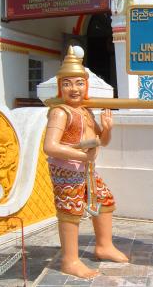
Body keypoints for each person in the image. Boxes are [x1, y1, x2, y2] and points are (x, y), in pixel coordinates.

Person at [43, 46, 128, 279]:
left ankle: (104, 246)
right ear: (61, 86)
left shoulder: (86, 111)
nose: (74, 88)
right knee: (70, 211)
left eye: (79, 83)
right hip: (66, 170)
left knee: (104, 200)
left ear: (86, 86)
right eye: (68, 83)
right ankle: (69, 260)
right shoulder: (60, 112)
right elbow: (49, 146)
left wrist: (108, 130)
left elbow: (101, 141)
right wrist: (82, 155)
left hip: (87, 169)